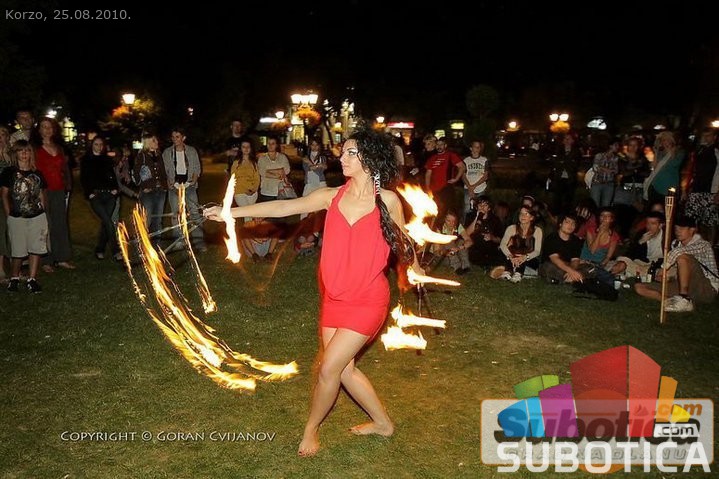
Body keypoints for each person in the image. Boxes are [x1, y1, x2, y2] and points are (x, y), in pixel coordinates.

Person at [204, 125, 420, 457]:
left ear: (369, 159)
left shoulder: (387, 201)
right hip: (334, 298)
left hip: (367, 299)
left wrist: (414, 266)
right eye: (343, 152)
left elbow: (403, 241)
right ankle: (383, 423)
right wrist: (230, 213)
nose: (342, 158)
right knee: (344, 369)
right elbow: (283, 208)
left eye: (350, 153)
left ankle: (311, 429)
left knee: (328, 369)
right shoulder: (331, 196)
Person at [635, 215, 718, 312]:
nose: (678, 232)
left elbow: (678, 253)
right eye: (676, 229)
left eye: (681, 229)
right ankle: (670, 302)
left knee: (682, 257)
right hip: (684, 285)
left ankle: (684, 298)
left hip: (706, 288)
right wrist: (668, 277)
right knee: (639, 287)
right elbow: (677, 268)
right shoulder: (675, 244)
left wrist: (663, 269)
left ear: (692, 230)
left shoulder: (703, 244)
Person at [0, 140, 48, 293]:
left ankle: (32, 279)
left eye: (27, 150)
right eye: (21, 151)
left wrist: (43, 210)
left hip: (37, 216)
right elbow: (4, 194)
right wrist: (9, 214)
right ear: (16, 154)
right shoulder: (9, 172)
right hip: (17, 217)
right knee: (18, 249)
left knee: (36, 248)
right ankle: (14, 277)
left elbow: (42, 193)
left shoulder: (37, 174)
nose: (24, 153)